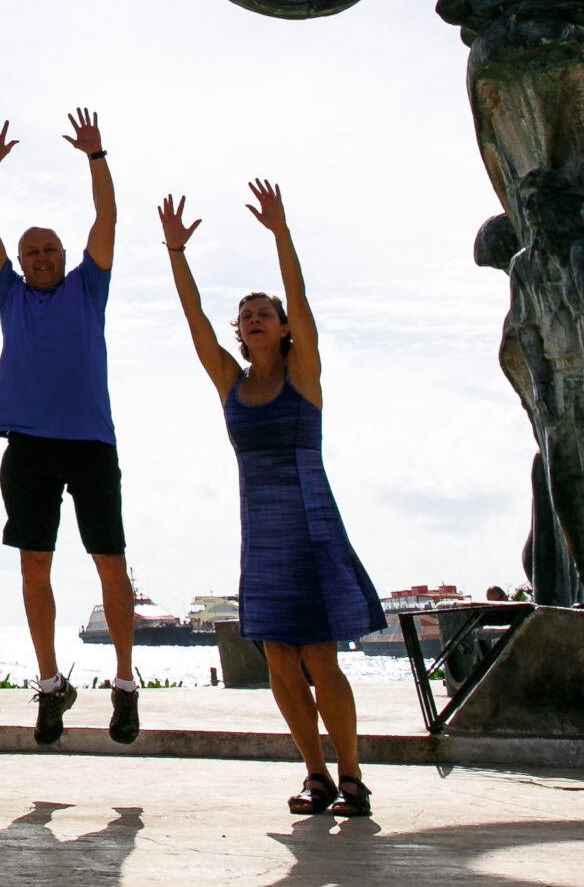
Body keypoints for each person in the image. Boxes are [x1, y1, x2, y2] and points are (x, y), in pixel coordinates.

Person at [158, 179, 384, 819]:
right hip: (261, 532)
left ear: (283, 328)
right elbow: (194, 323)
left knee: (320, 657)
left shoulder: (303, 375)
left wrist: (281, 232)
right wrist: (177, 253)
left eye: (266, 311)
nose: (254, 317)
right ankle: (314, 775)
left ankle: (353, 777)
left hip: (311, 523)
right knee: (281, 660)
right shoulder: (229, 381)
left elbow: (305, 301)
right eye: (246, 313)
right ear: (239, 329)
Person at [0, 108, 140, 746]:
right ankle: (49, 688)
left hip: (92, 445)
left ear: (64, 258)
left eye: (49, 250)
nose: (41, 258)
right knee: (33, 567)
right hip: (29, 448)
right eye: (31, 252)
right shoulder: (9, 295)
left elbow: (108, 220)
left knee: (110, 564)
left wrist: (97, 158)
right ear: (20, 261)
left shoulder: (87, 288)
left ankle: (124, 687)